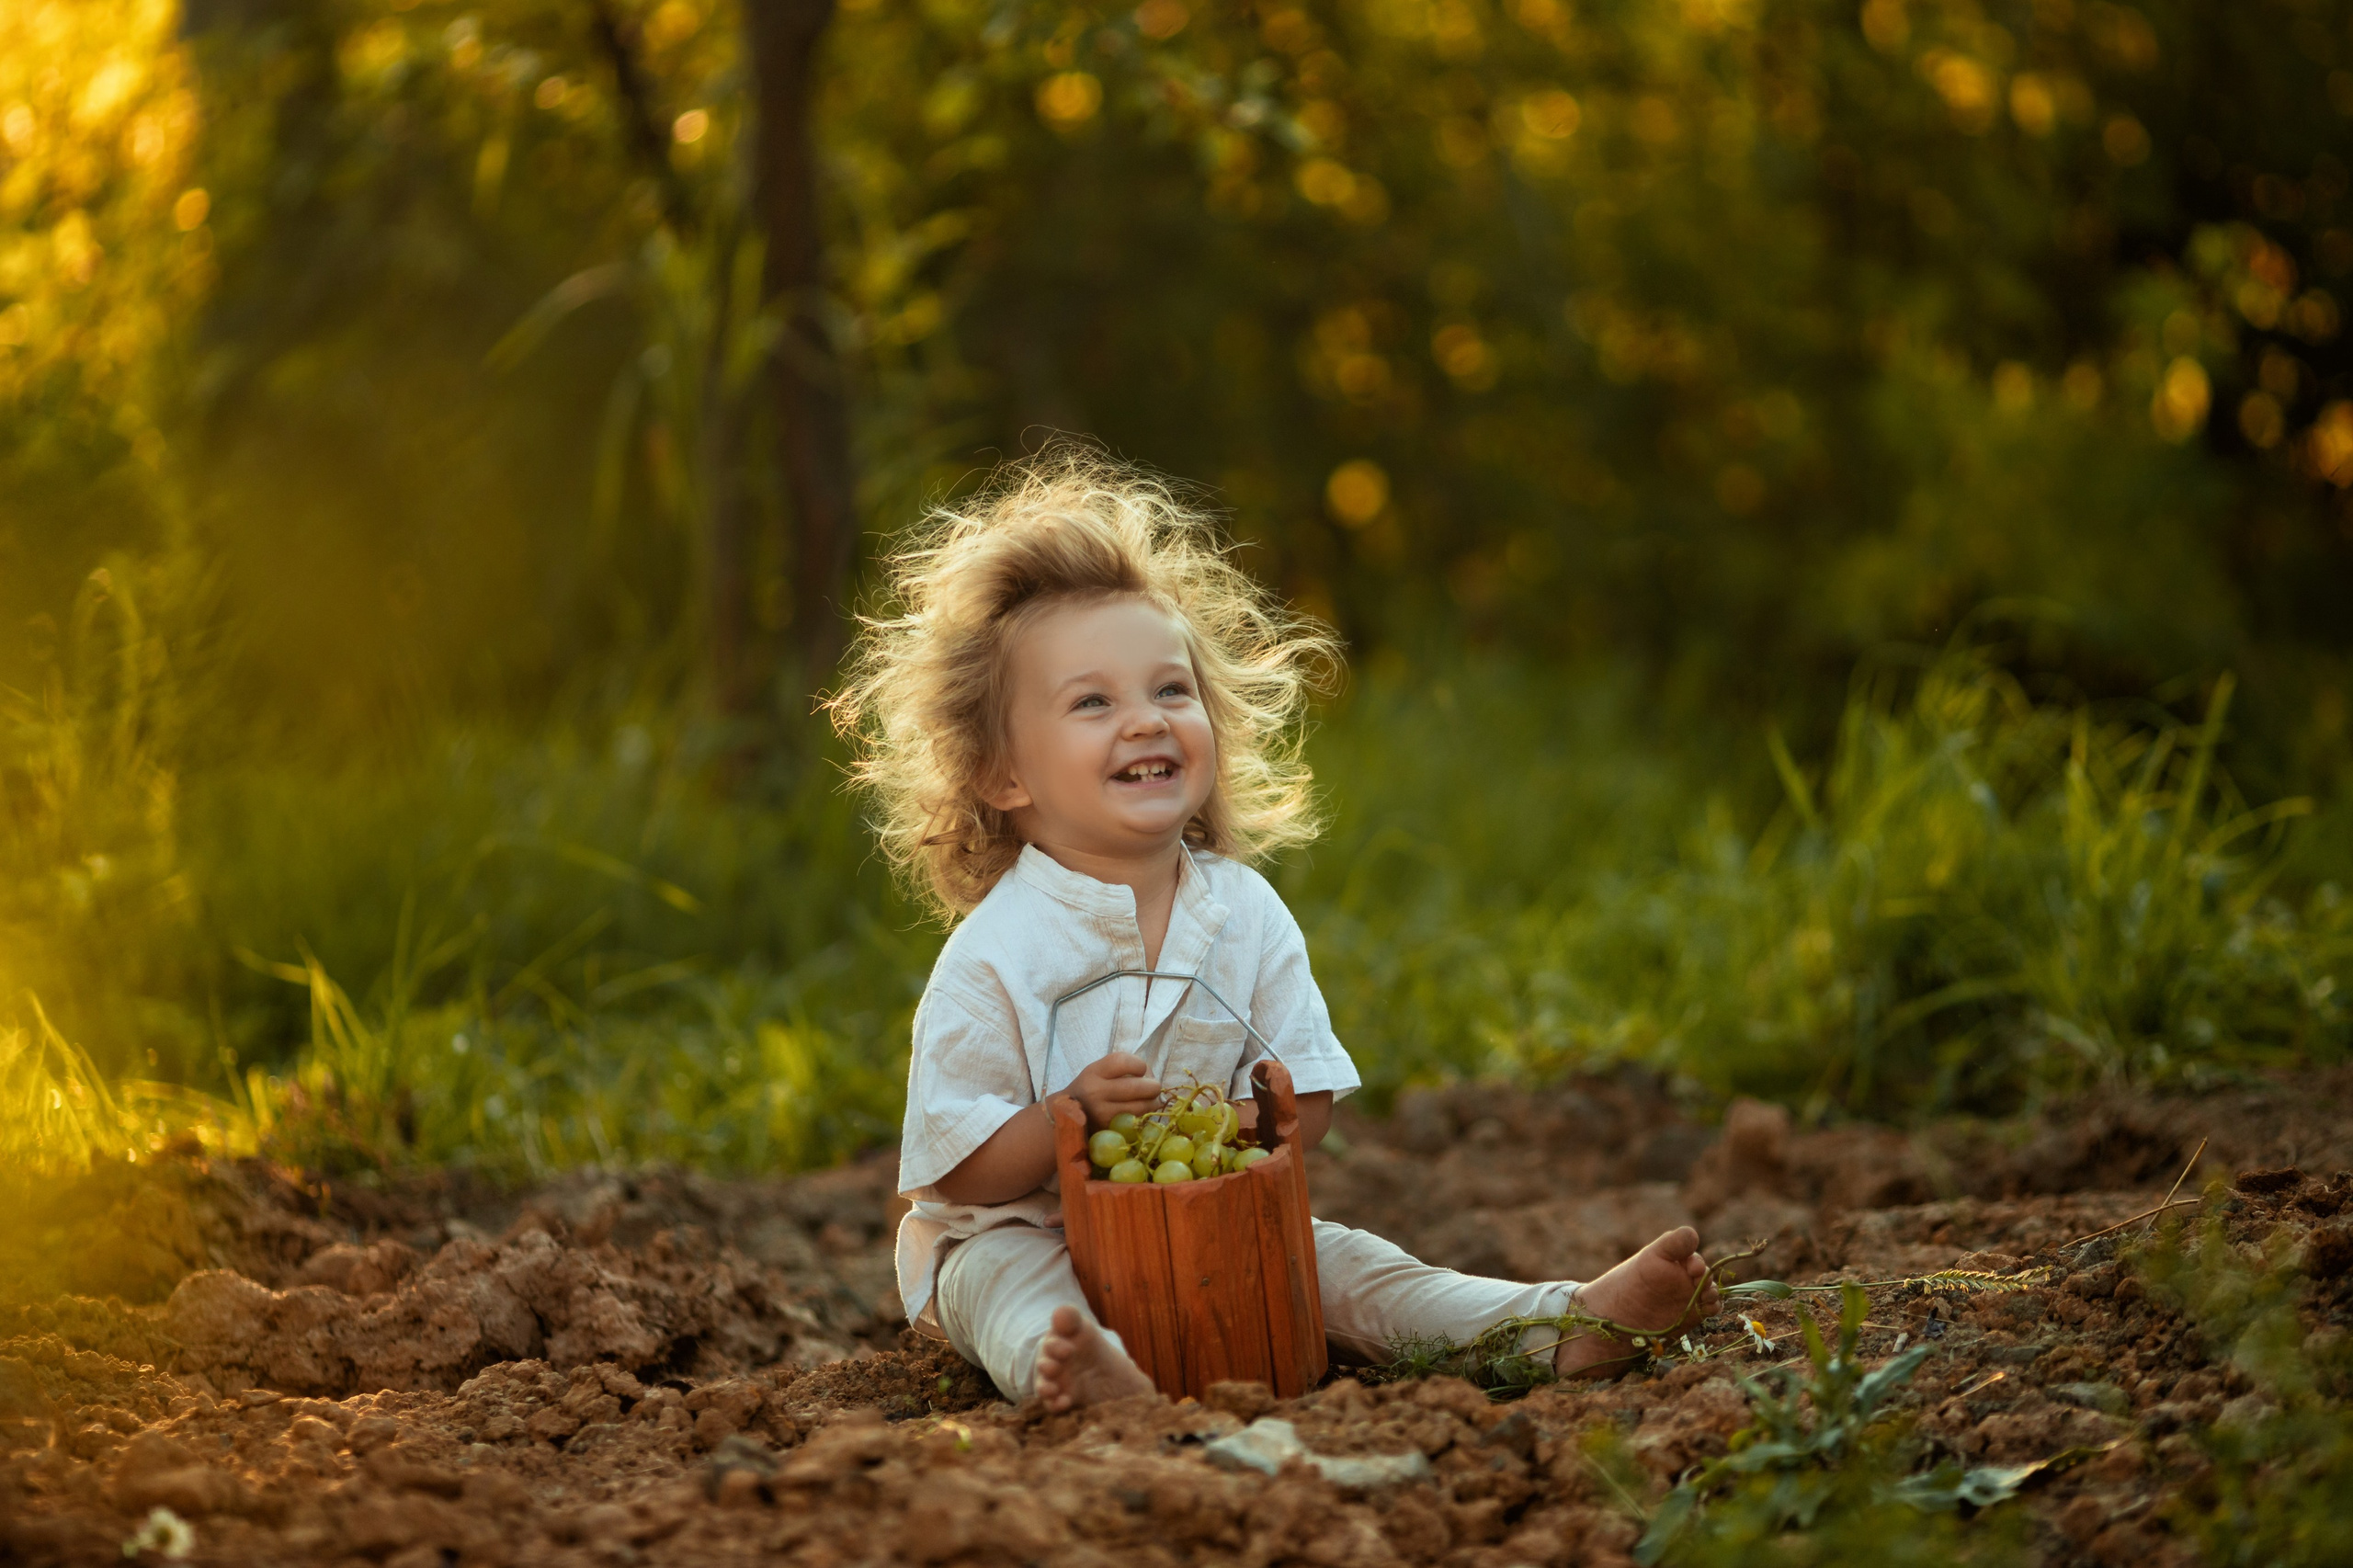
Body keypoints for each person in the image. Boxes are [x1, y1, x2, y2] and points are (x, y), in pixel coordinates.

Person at [830, 448, 1717, 1412]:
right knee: (1007, 1285)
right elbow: (952, 1165)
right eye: (1093, 701)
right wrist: (1065, 1120)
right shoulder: (996, 950)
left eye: (1171, 690)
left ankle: (1556, 1322)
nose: (1145, 720)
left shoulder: (1242, 911)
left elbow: (1310, 1099)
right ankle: (1075, 1366)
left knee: (1343, 1262)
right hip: (1021, 1228)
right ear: (1004, 775)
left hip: (1208, 1227)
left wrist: (1263, 1117)